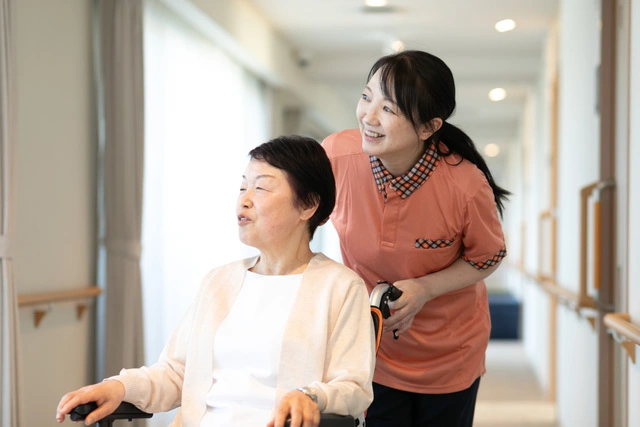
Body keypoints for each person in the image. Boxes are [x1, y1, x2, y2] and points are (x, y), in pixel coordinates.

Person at [56, 135, 375, 427]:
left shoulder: (340, 287)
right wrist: (121, 387)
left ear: (308, 205)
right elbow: (177, 372)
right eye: (242, 187)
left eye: (261, 188)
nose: (244, 200)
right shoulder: (220, 281)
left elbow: (353, 387)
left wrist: (310, 397)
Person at [322, 50, 509, 427]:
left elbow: (487, 257)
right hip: (371, 347)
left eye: (389, 109)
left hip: (448, 354)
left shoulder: (465, 186)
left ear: (428, 127)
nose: (368, 117)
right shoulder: (336, 156)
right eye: (366, 97)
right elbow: (301, 218)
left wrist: (423, 289)